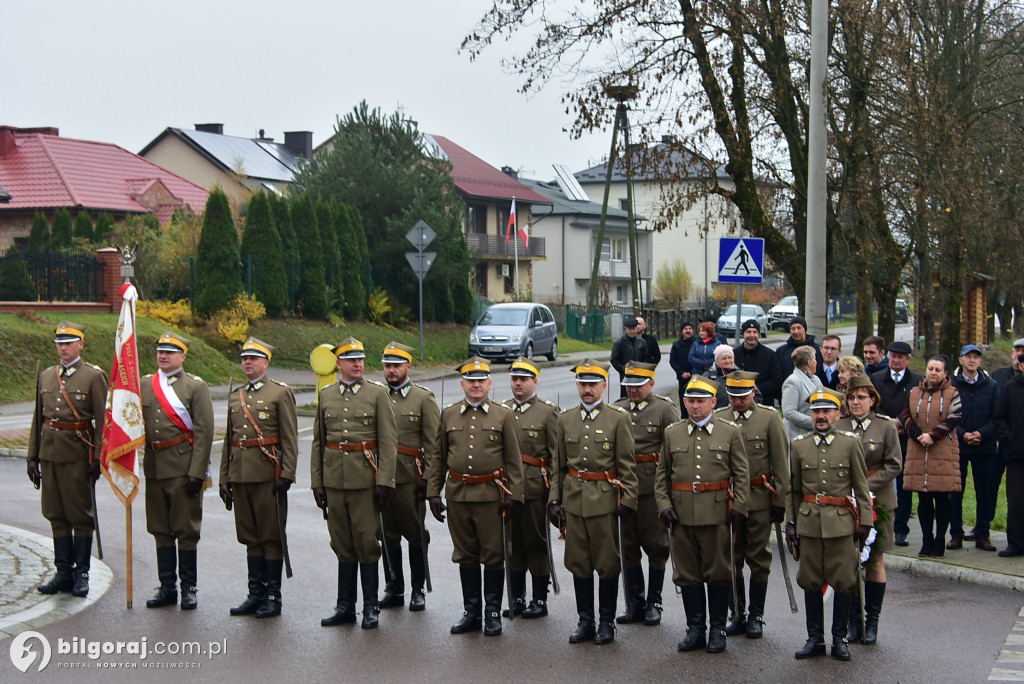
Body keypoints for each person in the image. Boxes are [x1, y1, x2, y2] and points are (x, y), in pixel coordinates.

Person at [426, 358, 524, 636]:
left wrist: (515, 495)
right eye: (471, 380)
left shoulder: (503, 415)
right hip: (458, 494)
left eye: (481, 380)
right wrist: (433, 492)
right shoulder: (449, 414)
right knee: (465, 555)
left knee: (494, 555)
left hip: (491, 495)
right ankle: (472, 612)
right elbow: (438, 457)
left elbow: (514, 460)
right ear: (462, 384)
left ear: (490, 384)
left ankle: (492, 613)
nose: (476, 385)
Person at [655, 375, 749, 654]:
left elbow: (742, 474)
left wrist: (740, 507)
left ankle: (718, 629)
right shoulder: (672, 433)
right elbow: (662, 475)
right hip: (681, 515)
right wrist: (663, 505)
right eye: (690, 401)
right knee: (687, 574)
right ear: (684, 403)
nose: (695, 406)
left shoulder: (729, 432)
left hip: (717, 513)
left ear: (713, 402)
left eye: (700, 401)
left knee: (719, 572)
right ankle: (695, 629)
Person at [548, 360, 637, 645]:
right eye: (583, 384)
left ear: (604, 386)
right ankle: (585, 621)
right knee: (579, 563)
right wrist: (554, 499)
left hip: (605, 500)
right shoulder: (565, 419)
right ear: (577, 385)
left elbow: (627, 465)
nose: (587, 390)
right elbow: (558, 465)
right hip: (574, 500)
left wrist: (629, 500)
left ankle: (606, 622)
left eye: (592, 385)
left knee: (607, 563)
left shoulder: (618, 418)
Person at [312, 337, 398, 629]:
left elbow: (388, 442)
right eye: (351, 360)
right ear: (339, 364)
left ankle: (370, 608)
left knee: (366, 542)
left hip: (365, 480)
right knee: (341, 542)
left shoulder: (377, 394)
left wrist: (385, 480)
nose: (358, 364)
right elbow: (319, 442)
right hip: (334, 480)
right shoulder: (327, 395)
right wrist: (317, 482)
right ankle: (345, 607)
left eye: (360, 359)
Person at [786, 388, 873, 662]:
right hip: (809, 523)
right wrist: (791, 522)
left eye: (826, 411)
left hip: (841, 524)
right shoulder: (799, 445)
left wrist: (866, 521)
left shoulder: (850, 443)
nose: (821, 416)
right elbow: (793, 489)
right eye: (816, 411)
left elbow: (861, 486)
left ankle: (839, 639)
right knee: (810, 580)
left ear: (837, 414)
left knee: (844, 580)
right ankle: (815, 639)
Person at [27, 321, 108, 598]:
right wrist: (32, 456)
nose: (63, 348)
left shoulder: (93, 376)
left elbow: (103, 421)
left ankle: (81, 573)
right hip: (50, 454)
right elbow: (39, 418)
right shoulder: (47, 376)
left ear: (80, 344)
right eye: (60, 343)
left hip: (77, 455)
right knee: (55, 513)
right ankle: (63, 572)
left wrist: (99, 458)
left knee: (80, 515)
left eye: (69, 343)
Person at [220, 337, 298, 619]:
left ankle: (273, 597)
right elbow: (229, 441)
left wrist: (287, 473)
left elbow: (290, 437)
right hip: (241, 475)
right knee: (250, 537)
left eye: (253, 358)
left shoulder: (280, 393)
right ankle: (255, 594)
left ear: (266, 362)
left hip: (268, 475)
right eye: (244, 359)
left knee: (270, 537)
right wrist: (224, 477)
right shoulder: (235, 396)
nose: (248, 363)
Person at [140, 331, 214, 611]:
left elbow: (204, 432)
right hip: (154, 467)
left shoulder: (195, 387)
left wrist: (197, 472)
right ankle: (167, 587)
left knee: (186, 529)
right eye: (160, 351)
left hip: (183, 468)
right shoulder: (145, 384)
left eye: (170, 352)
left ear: (182, 356)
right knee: (160, 529)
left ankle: (189, 588)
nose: (163, 355)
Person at [715, 371, 788, 639]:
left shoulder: (769, 418)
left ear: (753, 393)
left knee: (758, 557)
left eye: (742, 396)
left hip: (758, 496)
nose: (737, 401)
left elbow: (781, 462)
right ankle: (737, 612)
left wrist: (780, 500)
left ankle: (756, 615)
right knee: (730, 557)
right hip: (729, 499)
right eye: (732, 396)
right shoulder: (719, 417)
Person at [836, 375, 902, 646]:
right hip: (845, 501)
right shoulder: (839, 425)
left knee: (874, 559)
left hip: (878, 501)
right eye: (851, 397)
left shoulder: (885, 426)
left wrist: (862, 487)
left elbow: (894, 464)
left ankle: (872, 621)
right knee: (849, 560)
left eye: (861, 397)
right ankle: (854, 622)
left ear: (872, 400)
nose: (855, 402)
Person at [614, 361, 679, 627]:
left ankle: (654, 602)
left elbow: (674, 450)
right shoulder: (618, 409)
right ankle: (635, 603)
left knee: (657, 546)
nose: (633, 390)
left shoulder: (664, 409)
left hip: (652, 488)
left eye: (638, 385)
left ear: (651, 383)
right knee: (627, 547)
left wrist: (669, 491)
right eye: (629, 385)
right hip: (624, 489)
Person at [376, 341, 439, 612]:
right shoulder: (376, 396)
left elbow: (434, 445)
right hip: (381, 477)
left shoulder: (423, 398)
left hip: (409, 478)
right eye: (387, 365)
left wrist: (430, 480)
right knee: (386, 534)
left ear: (408, 367)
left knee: (415, 534)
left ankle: (418, 589)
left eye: (396, 365)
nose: (391, 370)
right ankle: (394, 587)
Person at [501, 356, 561, 619]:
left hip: (535, 487)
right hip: (507, 489)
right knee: (512, 543)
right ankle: (517, 598)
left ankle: (539, 599)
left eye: (523, 379)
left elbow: (557, 456)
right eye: (515, 379)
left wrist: (555, 494)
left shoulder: (548, 412)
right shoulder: (502, 409)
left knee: (536, 542)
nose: (518, 383)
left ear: (535, 381)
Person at [901, 354, 962, 557]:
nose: (933, 373)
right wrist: (919, 436)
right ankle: (926, 540)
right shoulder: (914, 392)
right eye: (930, 369)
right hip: (919, 448)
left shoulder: (953, 393)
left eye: (938, 370)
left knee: (942, 498)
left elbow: (955, 417)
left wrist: (933, 436)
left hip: (942, 449)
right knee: (923, 498)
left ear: (945, 373)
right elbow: (905, 415)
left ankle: (940, 540)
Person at [948, 344, 1000, 552]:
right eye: (968, 356)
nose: (972, 360)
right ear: (960, 360)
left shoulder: (991, 385)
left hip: (984, 446)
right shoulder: (951, 384)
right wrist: (963, 434)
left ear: (980, 361)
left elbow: (997, 416)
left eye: (976, 357)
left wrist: (981, 433)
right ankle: (956, 535)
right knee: (955, 492)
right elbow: (947, 414)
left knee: (984, 492)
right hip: (958, 445)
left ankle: (982, 535)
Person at [871, 340, 922, 547]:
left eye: (900, 357)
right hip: (880, 438)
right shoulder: (876, 378)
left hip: (905, 437)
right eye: (893, 356)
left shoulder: (917, 381)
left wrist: (900, 421)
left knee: (904, 486)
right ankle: (877, 524)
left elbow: (916, 406)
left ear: (907, 360)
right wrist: (888, 422)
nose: (896, 360)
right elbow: (873, 404)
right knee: (879, 480)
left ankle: (901, 529)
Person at [994, 348, 1024, 557]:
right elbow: (999, 417)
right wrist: (1009, 439)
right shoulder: (1010, 387)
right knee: (1016, 501)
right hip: (1016, 455)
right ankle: (1015, 544)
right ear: (1020, 365)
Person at [733, 319, 784, 406]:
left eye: (755, 332)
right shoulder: (734, 354)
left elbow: (776, 380)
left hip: (764, 403)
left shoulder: (770, 355)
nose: (752, 335)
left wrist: (755, 390)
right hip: (739, 403)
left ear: (759, 334)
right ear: (743, 334)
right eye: (748, 332)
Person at [781, 346, 823, 439]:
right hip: (799, 436)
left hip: (816, 435)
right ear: (809, 363)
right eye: (815, 359)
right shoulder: (792, 381)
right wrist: (814, 422)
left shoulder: (816, 379)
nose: (816, 362)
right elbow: (789, 412)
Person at [775, 316, 826, 384]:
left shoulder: (818, 350)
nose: (796, 332)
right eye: (793, 328)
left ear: (805, 329)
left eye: (799, 328)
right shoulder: (781, 351)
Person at [611, 317, 649, 399]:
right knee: (625, 398)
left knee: (639, 396)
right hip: (625, 376)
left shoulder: (642, 342)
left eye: (633, 329)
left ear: (636, 329)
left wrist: (642, 369)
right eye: (630, 329)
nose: (632, 331)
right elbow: (614, 359)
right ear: (626, 329)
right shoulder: (620, 342)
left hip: (639, 376)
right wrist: (623, 369)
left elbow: (646, 358)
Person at [670, 321, 696, 409]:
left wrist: (691, 372)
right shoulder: (676, 345)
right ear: (682, 331)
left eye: (690, 329)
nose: (688, 331)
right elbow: (672, 361)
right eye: (685, 329)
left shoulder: (697, 344)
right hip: (682, 377)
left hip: (696, 377)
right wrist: (681, 373)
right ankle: (684, 415)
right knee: (683, 399)